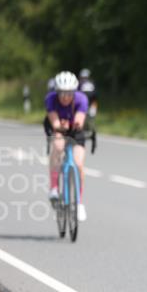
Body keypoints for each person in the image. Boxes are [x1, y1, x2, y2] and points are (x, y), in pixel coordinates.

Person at [44, 71, 89, 221]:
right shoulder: (50, 99)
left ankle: (79, 204)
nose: (65, 97)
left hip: (75, 130)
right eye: (62, 93)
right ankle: (54, 188)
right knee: (57, 146)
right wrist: (59, 126)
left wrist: (75, 123)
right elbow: (55, 122)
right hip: (58, 128)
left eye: (69, 93)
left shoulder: (81, 99)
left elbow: (79, 120)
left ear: (74, 92)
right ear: (57, 92)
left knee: (79, 164)